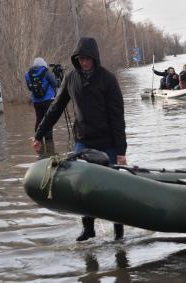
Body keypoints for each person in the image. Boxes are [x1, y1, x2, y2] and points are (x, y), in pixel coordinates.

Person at [32, 37, 127, 242]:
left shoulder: (108, 79)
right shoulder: (70, 78)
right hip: (83, 141)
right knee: (83, 188)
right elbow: (55, 108)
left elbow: (117, 116)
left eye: (87, 59)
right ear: (77, 59)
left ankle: (118, 231)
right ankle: (88, 229)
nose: (84, 63)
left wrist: (121, 151)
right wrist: (39, 134)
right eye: (81, 59)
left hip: (108, 141)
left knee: (113, 188)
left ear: (94, 58)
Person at [25, 57, 58, 158]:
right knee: (48, 119)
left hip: (36, 102)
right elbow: (55, 83)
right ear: (44, 64)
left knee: (39, 119)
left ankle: (38, 140)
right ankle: (49, 143)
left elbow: (29, 87)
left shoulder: (28, 74)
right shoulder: (46, 72)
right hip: (48, 100)